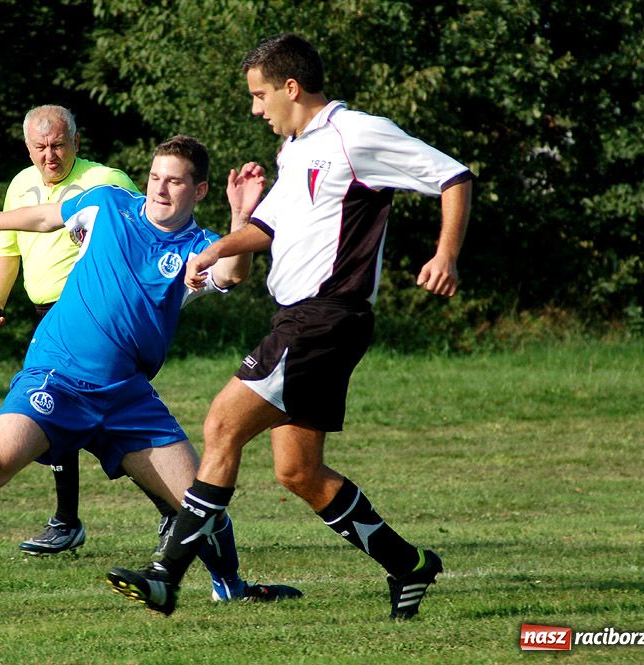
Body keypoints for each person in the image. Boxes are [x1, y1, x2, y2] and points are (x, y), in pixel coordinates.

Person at [108, 33, 473, 620]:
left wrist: (445, 255)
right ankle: (409, 566)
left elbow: (453, 175)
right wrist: (217, 247)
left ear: (291, 88)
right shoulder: (296, 150)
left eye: (259, 95)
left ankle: (164, 576)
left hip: (324, 316)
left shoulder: (356, 133)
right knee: (298, 471)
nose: (256, 109)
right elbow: (268, 230)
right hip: (306, 318)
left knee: (221, 423)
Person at [0, 135, 303, 607]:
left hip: (126, 395)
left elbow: (232, 273)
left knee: (199, 498)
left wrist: (241, 218)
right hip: (57, 377)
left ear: (201, 190)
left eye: (174, 181)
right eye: (155, 177)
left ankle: (230, 590)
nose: (160, 189)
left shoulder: (200, 246)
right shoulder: (108, 203)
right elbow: (48, 217)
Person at [0, 104, 178, 557]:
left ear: (77, 142)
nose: (50, 156)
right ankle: (78, 519)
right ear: (28, 147)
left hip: (96, 323)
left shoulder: (106, 182)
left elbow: (148, 236)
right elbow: (7, 249)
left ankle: (158, 509)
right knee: (56, 413)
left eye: (58, 145)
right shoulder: (19, 186)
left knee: (85, 421)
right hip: (49, 316)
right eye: (40, 148)